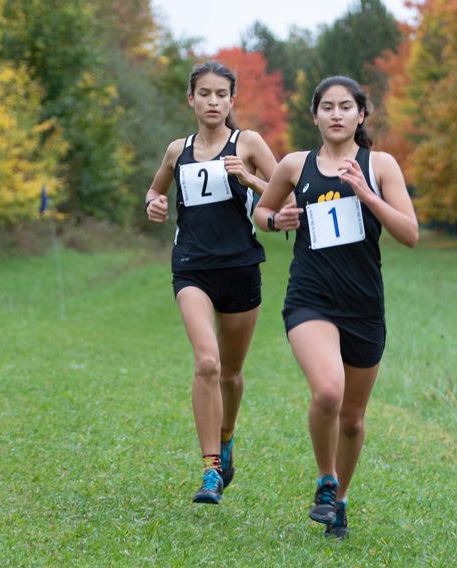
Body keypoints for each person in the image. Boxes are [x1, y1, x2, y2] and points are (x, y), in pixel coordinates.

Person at [253, 75, 418, 538]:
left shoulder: (380, 164)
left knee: (352, 419)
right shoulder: (293, 165)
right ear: (316, 115)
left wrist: (367, 194)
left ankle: (340, 501)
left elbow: (410, 233)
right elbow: (261, 214)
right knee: (329, 391)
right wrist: (275, 218)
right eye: (327, 107)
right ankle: (326, 481)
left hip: (363, 305)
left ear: (361, 115)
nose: (337, 114)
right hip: (311, 297)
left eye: (346, 106)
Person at [144, 61, 278, 504]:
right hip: (192, 268)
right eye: (205, 93)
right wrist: (155, 204)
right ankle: (210, 471)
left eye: (222, 94)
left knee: (232, 374)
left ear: (231, 100)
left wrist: (250, 178)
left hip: (240, 268)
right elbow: (154, 191)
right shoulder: (176, 151)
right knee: (207, 363)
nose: (213, 101)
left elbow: (290, 194)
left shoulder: (250, 143)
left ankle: (226, 438)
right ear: (191, 100)